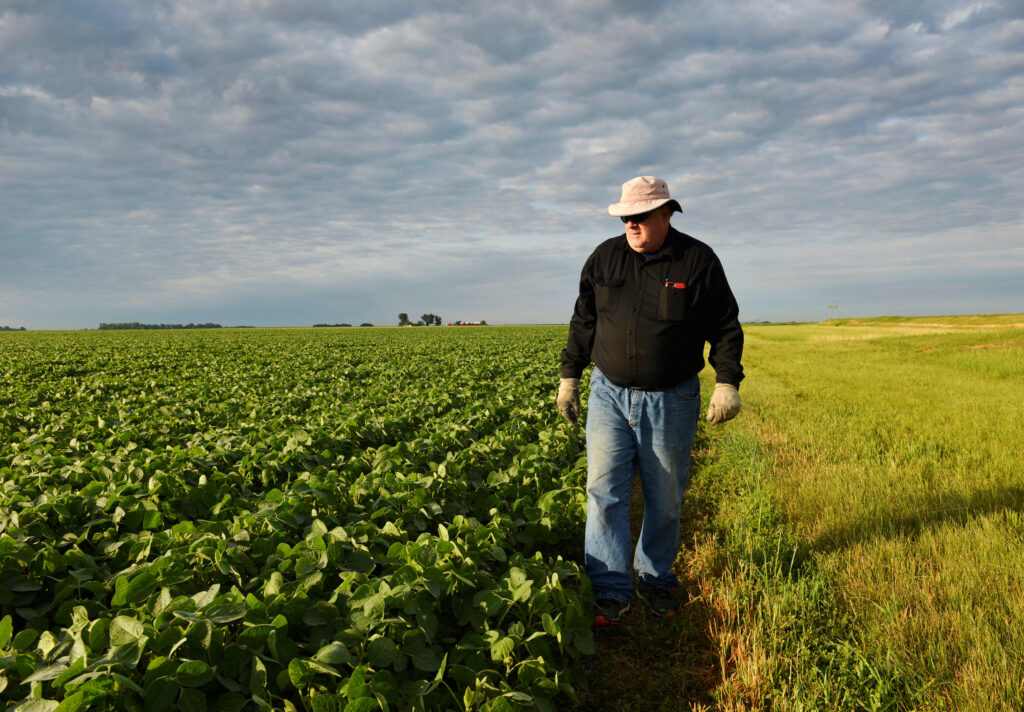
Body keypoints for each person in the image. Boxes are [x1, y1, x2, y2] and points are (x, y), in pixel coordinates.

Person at [558, 176, 744, 625]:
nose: (632, 225)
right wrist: (569, 376)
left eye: (640, 217)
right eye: (626, 218)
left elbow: (724, 325)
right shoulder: (604, 258)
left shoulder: (697, 261)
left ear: (667, 213)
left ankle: (656, 578)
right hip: (609, 393)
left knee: (664, 497)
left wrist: (727, 382)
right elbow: (584, 319)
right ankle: (610, 589)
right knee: (603, 492)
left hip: (671, 398)